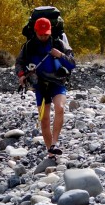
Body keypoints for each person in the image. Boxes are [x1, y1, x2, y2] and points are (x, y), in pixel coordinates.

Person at [16, 17, 75, 155]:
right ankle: (51, 152)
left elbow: (72, 63)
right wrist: (21, 75)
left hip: (58, 82)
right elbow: (19, 63)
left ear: (50, 31)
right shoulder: (28, 47)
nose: (44, 36)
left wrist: (60, 55)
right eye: (41, 33)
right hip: (40, 85)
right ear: (35, 31)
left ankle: (54, 144)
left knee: (60, 108)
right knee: (44, 118)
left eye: (46, 33)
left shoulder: (58, 43)